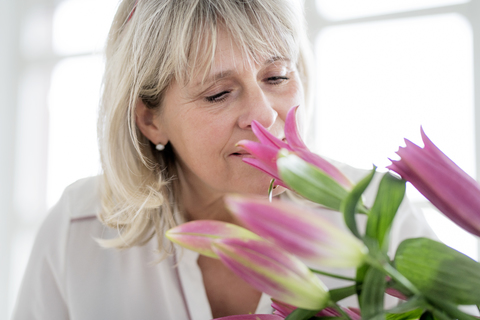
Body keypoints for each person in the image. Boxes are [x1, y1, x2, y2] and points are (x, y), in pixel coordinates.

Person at [11, 1, 434, 319]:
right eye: (218, 94)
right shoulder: (77, 228)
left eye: (277, 77)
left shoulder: (377, 210)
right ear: (150, 120)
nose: (264, 115)